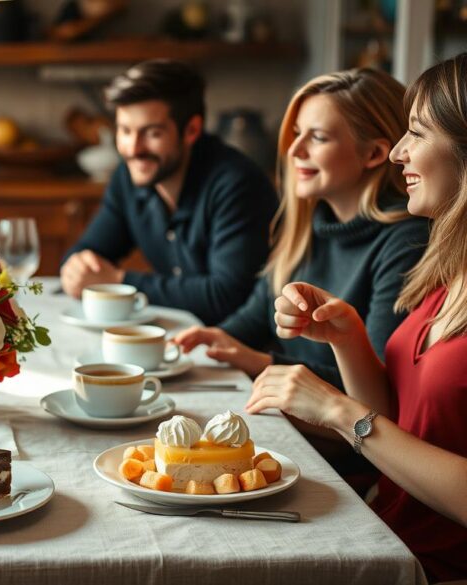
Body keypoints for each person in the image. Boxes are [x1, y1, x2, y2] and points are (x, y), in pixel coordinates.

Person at [248, 54, 467, 581]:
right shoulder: (445, 270)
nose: (398, 152)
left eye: (415, 133)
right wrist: (347, 339)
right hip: (383, 535)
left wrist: (339, 411)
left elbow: (370, 429)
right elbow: (397, 428)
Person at [174, 69, 429, 389]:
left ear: (375, 153)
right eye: (297, 133)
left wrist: (264, 364)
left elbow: (380, 389)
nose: (294, 150)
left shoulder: (406, 240)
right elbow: (255, 319)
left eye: (318, 137)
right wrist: (215, 337)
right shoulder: (309, 221)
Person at [59, 59, 278, 325]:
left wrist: (118, 281)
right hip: (177, 337)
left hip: (241, 349)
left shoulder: (237, 184)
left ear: (192, 130)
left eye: (152, 133)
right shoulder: (128, 178)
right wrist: (76, 269)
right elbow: (85, 254)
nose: (133, 149)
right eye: (125, 131)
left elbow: (227, 296)